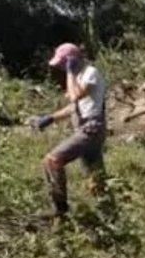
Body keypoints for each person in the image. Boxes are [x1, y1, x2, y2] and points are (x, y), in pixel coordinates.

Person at [29, 43, 107, 217]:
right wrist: (49, 119)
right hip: (88, 129)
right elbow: (75, 106)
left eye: (64, 64)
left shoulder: (90, 73)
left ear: (72, 60)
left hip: (90, 130)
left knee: (53, 160)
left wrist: (71, 73)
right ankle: (110, 218)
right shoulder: (80, 75)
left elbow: (74, 96)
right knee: (95, 180)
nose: (62, 68)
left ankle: (60, 210)